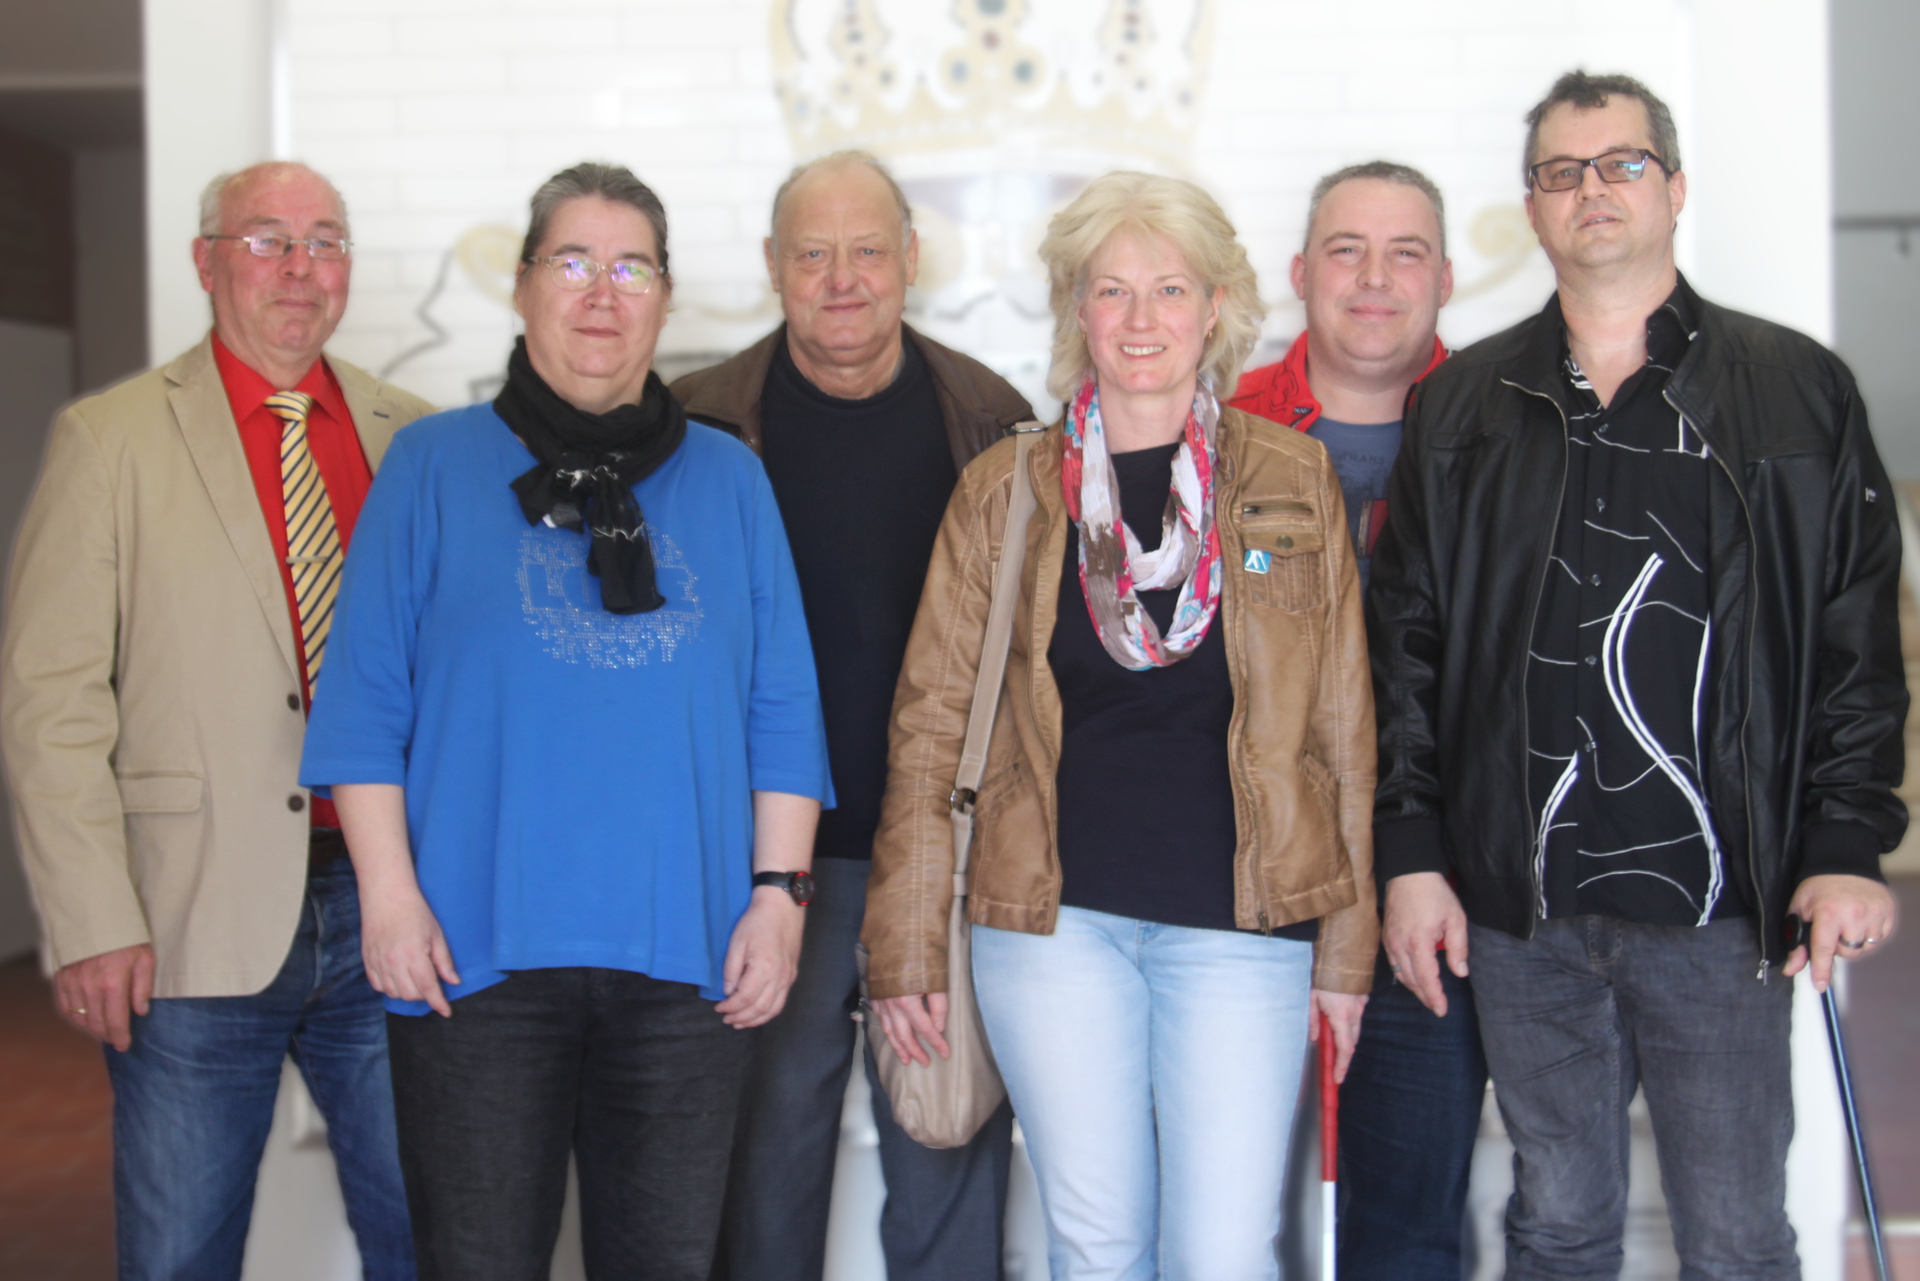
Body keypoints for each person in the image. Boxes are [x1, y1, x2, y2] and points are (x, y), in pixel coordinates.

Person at [1371, 71, 1905, 1280]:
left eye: (1621, 163)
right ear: (1533, 208)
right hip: (1524, 908)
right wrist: (1411, 853)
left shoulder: (1796, 390)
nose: (1593, 190)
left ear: (1673, 187)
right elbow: (1407, 646)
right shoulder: (1461, 407)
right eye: (1562, 172)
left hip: (1725, 906)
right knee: (1556, 1226)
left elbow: (1853, 635)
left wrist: (1844, 840)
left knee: (1736, 1238)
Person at [297, 161, 833, 1280]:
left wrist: (779, 901)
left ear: (665, 297)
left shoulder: (731, 481)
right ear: (524, 284)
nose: (602, 292)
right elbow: (363, 706)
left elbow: (782, 707)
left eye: (631, 268)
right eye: (574, 262)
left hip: (689, 961)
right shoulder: (430, 466)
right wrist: (388, 900)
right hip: (469, 958)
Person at [864, 170, 1378, 1280]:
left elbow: (1342, 737)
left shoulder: (1292, 477)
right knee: (1096, 1249)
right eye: (1113, 290)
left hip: (1243, 930)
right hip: (1053, 931)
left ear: (1216, 307)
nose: (1142, 318)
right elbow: (931, 728)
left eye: (1171, 289)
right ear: (1078, 309)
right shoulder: (1004, 490)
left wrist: (1347, 947)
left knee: (1226, 1254)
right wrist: (905, 944)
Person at [0, 161, 432, 1280]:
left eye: (324, 242)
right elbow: (51, 701)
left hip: (391, 904)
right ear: (206, 262)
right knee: (179, 1252)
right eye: (266, 240)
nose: (299, 268)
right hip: (187, 916)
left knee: (430, 1237)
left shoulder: (415, 438)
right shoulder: (111, 440)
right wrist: (90, 916)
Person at [672, 150, 1031, 1281]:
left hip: (942, 864)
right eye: (814, 254)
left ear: (911, 259)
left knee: (947, 1155)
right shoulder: (695, 425)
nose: (843, 278)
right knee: (762, 1174)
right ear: (772, 266)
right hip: (764, 872)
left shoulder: (992, 419)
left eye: (868, 250)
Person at [1229, 161, 1485, 1281]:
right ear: (1300, 272)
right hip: (1239, 884)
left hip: (1436, 886)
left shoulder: (1505, 430)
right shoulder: (1219, 424)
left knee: (1407, 1226)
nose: (1374, 278)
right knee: (1216, 1212)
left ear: (1446, 278)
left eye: (1405, 253)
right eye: (1347, 250)